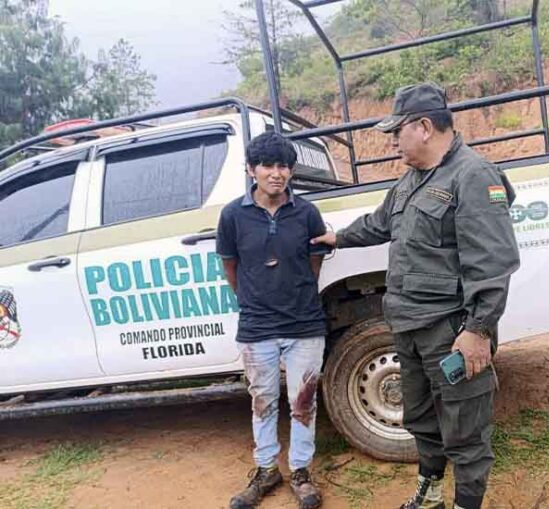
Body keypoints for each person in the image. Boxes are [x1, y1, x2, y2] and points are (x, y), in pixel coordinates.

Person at [312, 82, 520, 509]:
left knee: (465, 430)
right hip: (408, 325)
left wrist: (478, 330)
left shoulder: (473, 175)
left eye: (397, 131)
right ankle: (431, 495)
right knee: (422, 419)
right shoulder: (410, 180)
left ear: (424, 127)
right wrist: (337, 237)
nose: (392, 141)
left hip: (450, 330)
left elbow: (492, 262)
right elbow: (379, 224)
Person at [217, 131, 329, 509]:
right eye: (267, 165)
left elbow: (314, 260)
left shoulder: (307, 213)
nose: (276, 173)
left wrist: (296, 293)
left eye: (283, 166)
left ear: (291, 171)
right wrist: (253, 300)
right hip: (257, 326)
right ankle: (266, 470)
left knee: (303, 402)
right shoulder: (232, 216)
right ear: (251, 170)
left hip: (304, 324)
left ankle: (300, 472)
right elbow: (231, 265)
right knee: (262, 401)